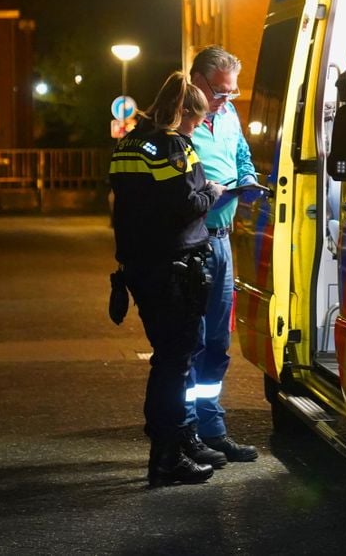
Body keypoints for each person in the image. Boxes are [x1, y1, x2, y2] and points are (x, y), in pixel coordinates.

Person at [110, 72, 224, 486]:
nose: (196, 128)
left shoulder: (128, 143)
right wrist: (212, 191)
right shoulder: (174, 146)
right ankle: (167, 457)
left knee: (165, 359)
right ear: (183, 112)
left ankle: (165, 445)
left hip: (140, 266)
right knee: (175, 362)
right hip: (175, 267)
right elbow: (185, 204)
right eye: (196, 120)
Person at [184, 45, 261, 463]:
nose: (225, 99)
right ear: (196, 78)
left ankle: (211, 428)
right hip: (191, 239)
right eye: (219, 90)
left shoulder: (228, 114)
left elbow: (241, 153)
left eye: (231, 92)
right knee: (189, 340)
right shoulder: (179, 118)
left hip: (222, 238)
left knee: (216, 340)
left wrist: (246, 178)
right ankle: (185, 431)